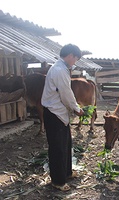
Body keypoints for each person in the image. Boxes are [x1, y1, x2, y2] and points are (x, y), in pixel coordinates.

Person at [41, 44, 84, 191]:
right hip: (54, 113)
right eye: (76, 58)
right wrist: (77, 109)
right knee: (57, 148)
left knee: (65, 144)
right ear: (70, 55)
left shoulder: (61, 68)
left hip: (60, 113)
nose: (75, 61)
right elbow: (66, 94)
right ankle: (58, 182)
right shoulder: (59, 70)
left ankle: (66, 172)